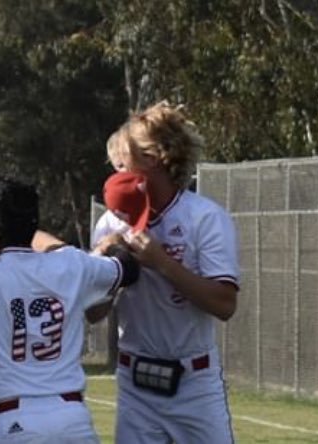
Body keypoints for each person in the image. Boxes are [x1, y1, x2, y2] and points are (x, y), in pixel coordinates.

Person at [0, 179, 139, 443]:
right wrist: (111, 246)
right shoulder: (70, 264)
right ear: (35, 223)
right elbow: (128, 269)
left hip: (11, 420)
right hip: (71, 417)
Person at [91, 102, 240, 444]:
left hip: (194, 382)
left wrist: (162, 263)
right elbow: (93, 313)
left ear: (153, 157)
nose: (117, 169)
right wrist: (107, 266)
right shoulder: (110, 223)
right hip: (135, 382)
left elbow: (224, 304)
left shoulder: (204, 217)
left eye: (123, 159)